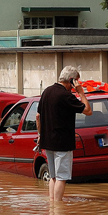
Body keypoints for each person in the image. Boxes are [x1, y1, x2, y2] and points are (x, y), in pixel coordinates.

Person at [36, 66, 92, 201]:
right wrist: (81, 93)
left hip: (47, 142)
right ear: (71, 80)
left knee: (53, 177)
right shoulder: (66, 96)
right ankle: (58, 209)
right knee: (62, 178)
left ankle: (52, 208)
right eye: (76, 82)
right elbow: (88, 111)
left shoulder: (46, 92)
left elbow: (38, 116)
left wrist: (40, 135)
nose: (75, 86)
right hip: (62, 143)